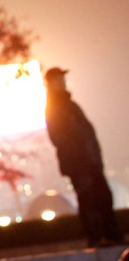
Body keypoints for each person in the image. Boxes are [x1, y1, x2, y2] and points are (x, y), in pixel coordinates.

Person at [44, 67, 123, 247]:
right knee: (89, 200)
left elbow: (86, 134)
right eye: (57, 79)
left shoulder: (69, 104)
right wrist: (80, 160)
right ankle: (97, 237)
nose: (62, 82)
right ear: (50, 83)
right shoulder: (55, 107)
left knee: (102, 196)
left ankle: (110, 235)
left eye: (62, 78)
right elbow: (59, 138)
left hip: (90, 162)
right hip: (80, 164)